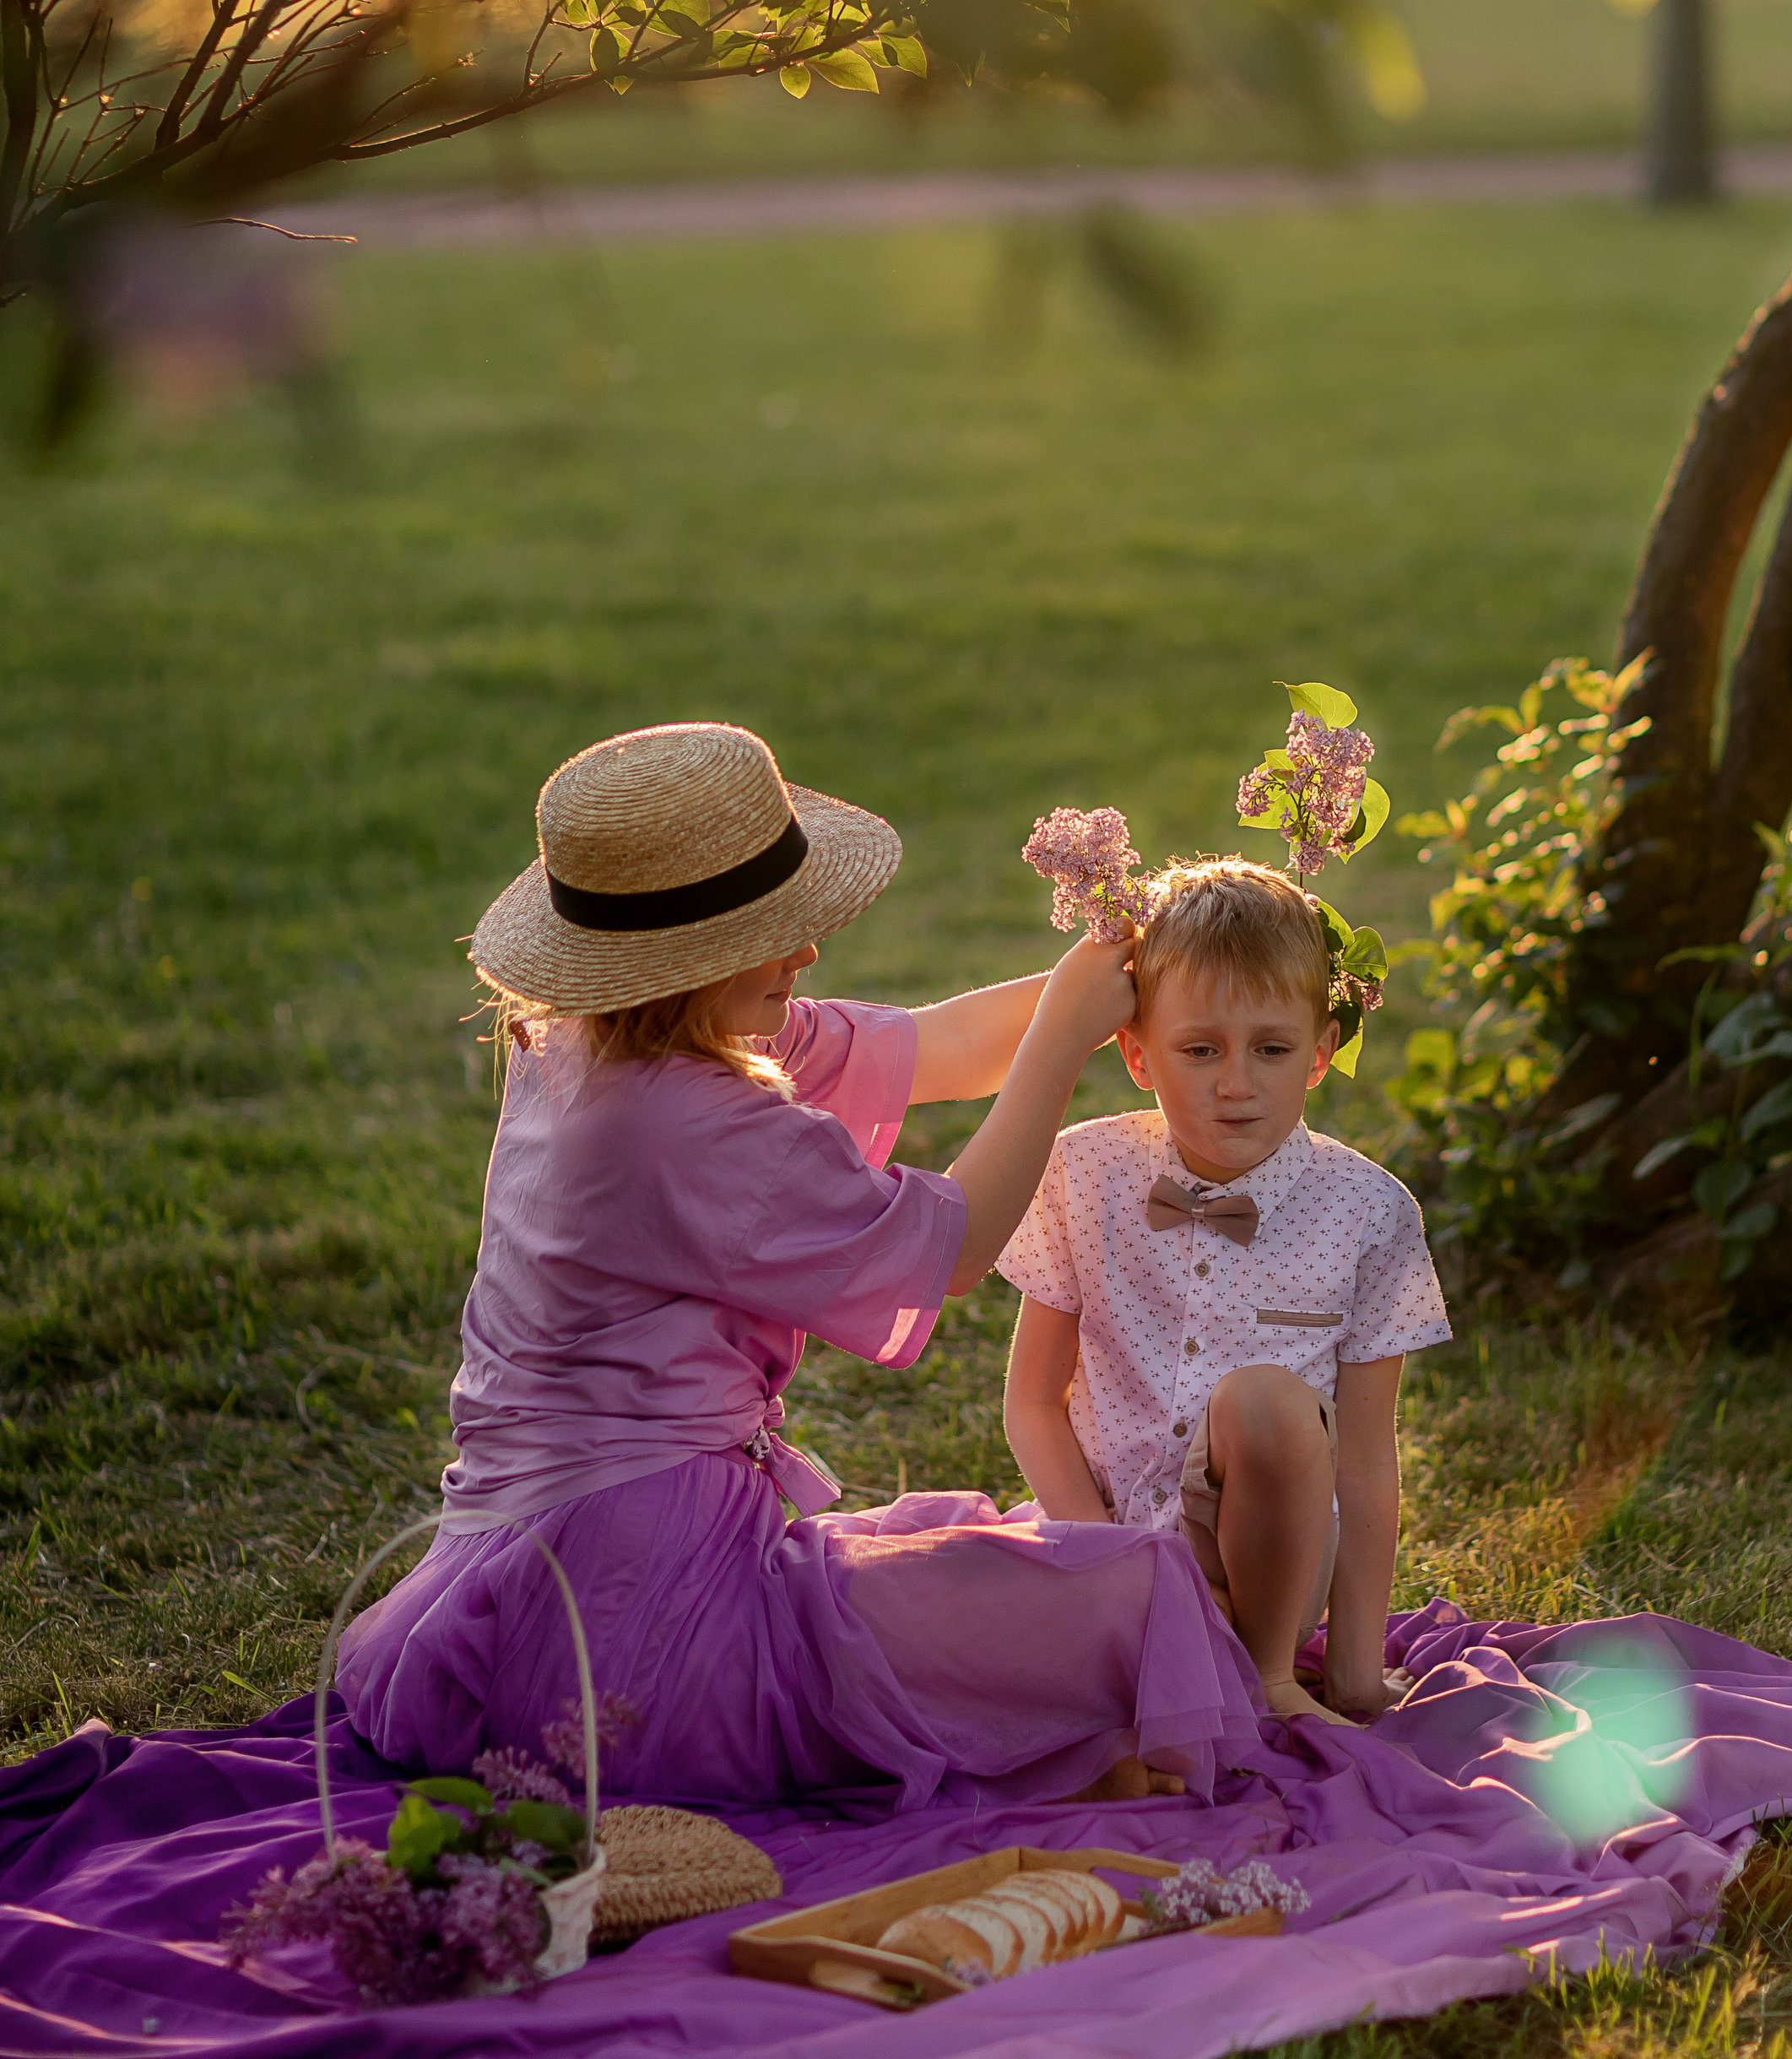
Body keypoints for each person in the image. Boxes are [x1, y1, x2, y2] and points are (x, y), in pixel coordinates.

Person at [337, 721, 1267, 1811]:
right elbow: (957, 1245)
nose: (809, 951)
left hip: (526, 1575)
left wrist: (1158, 957)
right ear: (685, 961)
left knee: (1017, 1569)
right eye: (777, 931)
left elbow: (949, 1045)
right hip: (643, 1622)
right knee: (1126, 1590)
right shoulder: (686, 1121)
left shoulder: (603, 1041)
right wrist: (1064, 1043)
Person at [999, 858, 1451, 1726]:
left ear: (1318, 1054)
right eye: (1199, 1048)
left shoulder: (1370, 1212)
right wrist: (1110, 1568)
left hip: (1266, 1575)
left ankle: (1266, 1679)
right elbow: (1032, 1403)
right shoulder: (1082, 1171)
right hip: (1104, 1541)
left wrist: (1354, 1670)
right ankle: (1146, 1662)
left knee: (1267, 1401)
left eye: (1272, 1048)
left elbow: (1362, 1461)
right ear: (1136, 1052)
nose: (1236, 1081)